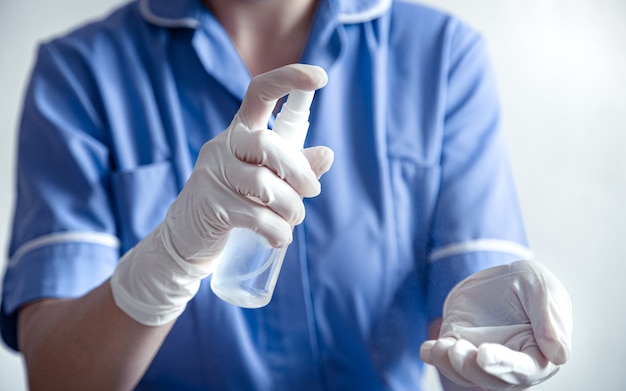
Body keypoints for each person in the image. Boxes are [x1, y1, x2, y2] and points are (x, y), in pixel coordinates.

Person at [0, 0, 572, 390]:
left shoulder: (441, 56)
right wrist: (168, 259)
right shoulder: (81, 74)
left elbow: (459, 340)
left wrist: (486, 349)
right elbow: (56, 376)